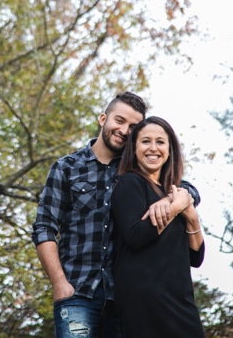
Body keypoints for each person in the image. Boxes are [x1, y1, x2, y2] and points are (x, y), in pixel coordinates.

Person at [31, 93, 200, 338]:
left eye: (132, 127)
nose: (123, 130)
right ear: (103, 119)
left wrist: (172, 199)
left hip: (124, 299)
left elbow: (185, 188)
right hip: (78, 292)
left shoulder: (136, 170)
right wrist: (59, 283)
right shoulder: (67, 168)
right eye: (119, 120)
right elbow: (44, 227)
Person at [110, 115, 206, 338]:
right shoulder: (129, 183)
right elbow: (136, 236)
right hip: (144, 299)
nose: (153, 148)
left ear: (170, 149)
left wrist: (190, 215)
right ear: (133, 148)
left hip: (179, 299)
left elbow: (196, 257)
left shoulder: (175, 192)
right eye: (145, 141)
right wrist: (175, 207)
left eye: (160, 142)